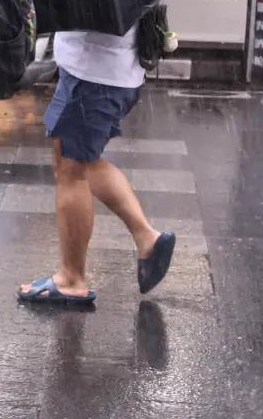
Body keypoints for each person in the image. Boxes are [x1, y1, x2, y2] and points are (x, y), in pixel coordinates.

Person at [18, 27, 176, 305]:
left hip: (93, 73)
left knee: (72, 169)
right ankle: (147, 238)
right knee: (77, 161)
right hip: (106, 68)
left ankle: (71, 278)